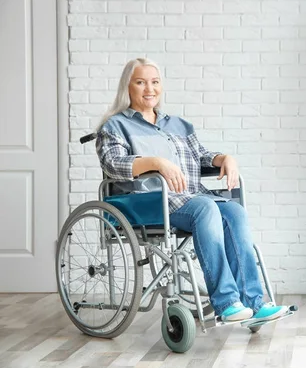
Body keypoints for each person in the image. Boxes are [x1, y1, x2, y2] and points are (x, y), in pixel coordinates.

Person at [95, 57, 287, 323]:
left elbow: (200, 156)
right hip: (145, 202)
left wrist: (224, 159)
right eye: (140, 82)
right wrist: (155, 163)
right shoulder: (115, 126)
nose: (149, 89)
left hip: (188, 198)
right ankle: (227, 302)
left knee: (234, 211)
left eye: (155, 82)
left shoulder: (179, 125)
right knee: (205, 207)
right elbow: (113, 164)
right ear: (127, 87)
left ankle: (253, 303)